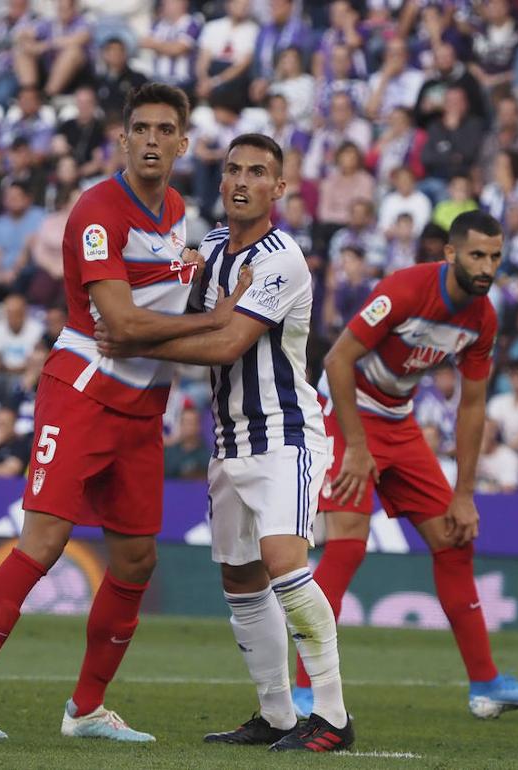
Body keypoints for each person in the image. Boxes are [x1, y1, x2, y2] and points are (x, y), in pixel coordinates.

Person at [0, 83, 248, 742]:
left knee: (136, 562)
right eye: (142, 129)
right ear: (123, 140)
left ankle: (87, 709)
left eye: (166, 129)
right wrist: (217, 319)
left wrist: (187, 285)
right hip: (82, 392)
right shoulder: (98, 210)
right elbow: (121, 324)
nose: (153, 140)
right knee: (42, 544)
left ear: (184, 143)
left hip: (143, 407)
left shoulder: (177, 211)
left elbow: (150, 308)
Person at [99, 133, 353, 752]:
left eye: (257, 172)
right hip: (229, 438)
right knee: (241, 577)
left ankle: (333, 717)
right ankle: (277, 715)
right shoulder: (209, 248)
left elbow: (226, 343)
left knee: (285, 563)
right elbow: (176, 310)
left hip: (284, 434)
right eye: (234, 169)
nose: (242, 181)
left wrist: (135, 337)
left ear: (279, 188)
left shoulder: (282, 260)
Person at [302, 210, 518, 719]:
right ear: (450, 254)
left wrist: (464, 494)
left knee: (454, 539)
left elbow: (472, 406)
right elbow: (336, 361)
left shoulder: (483, 318)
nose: (486, 267)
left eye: (495, 257)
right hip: (345, 414)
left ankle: (486, 685)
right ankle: (305, 691)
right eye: (477, 255)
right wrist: (356, 447)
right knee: (348, 545)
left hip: (399, 421)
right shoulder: (406, 290)